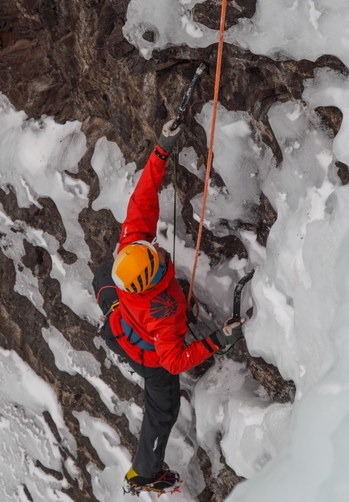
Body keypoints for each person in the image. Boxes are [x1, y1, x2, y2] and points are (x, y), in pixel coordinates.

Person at [92, 119, 245, 496]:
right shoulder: (163, 314)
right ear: (151, 276)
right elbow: (173, 361)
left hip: (120, 318)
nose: (155, 247)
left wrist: (161, 150)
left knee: (103, 278)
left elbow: (143, 198)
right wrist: (215, 343)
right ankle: (145, 473)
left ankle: (106, 300)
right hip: (148, 352)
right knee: (163, 411)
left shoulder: (130, 250)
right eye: (155, 255)